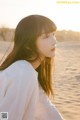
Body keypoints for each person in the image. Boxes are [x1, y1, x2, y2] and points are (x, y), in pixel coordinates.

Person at [0, 15, 64, 120]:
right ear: (28, 45)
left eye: (53, 34)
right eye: (46, 36)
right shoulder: (23, 72)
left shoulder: (28, 72)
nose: (54, 41)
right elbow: (5, 116)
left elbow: (46, 110)